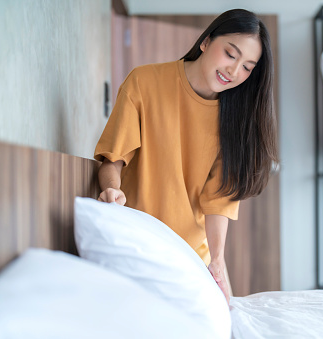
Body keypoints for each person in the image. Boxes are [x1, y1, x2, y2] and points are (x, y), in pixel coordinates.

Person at [93, 9, 278, 304]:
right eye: (231, 54)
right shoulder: (144, 82)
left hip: (190, 257)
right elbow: (112, 159)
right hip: (135, 241)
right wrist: (111, 190)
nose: (234, 72)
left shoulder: (235, 121)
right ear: (206, 41)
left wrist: (217, 260)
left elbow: (218, 202)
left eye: (247, 67)